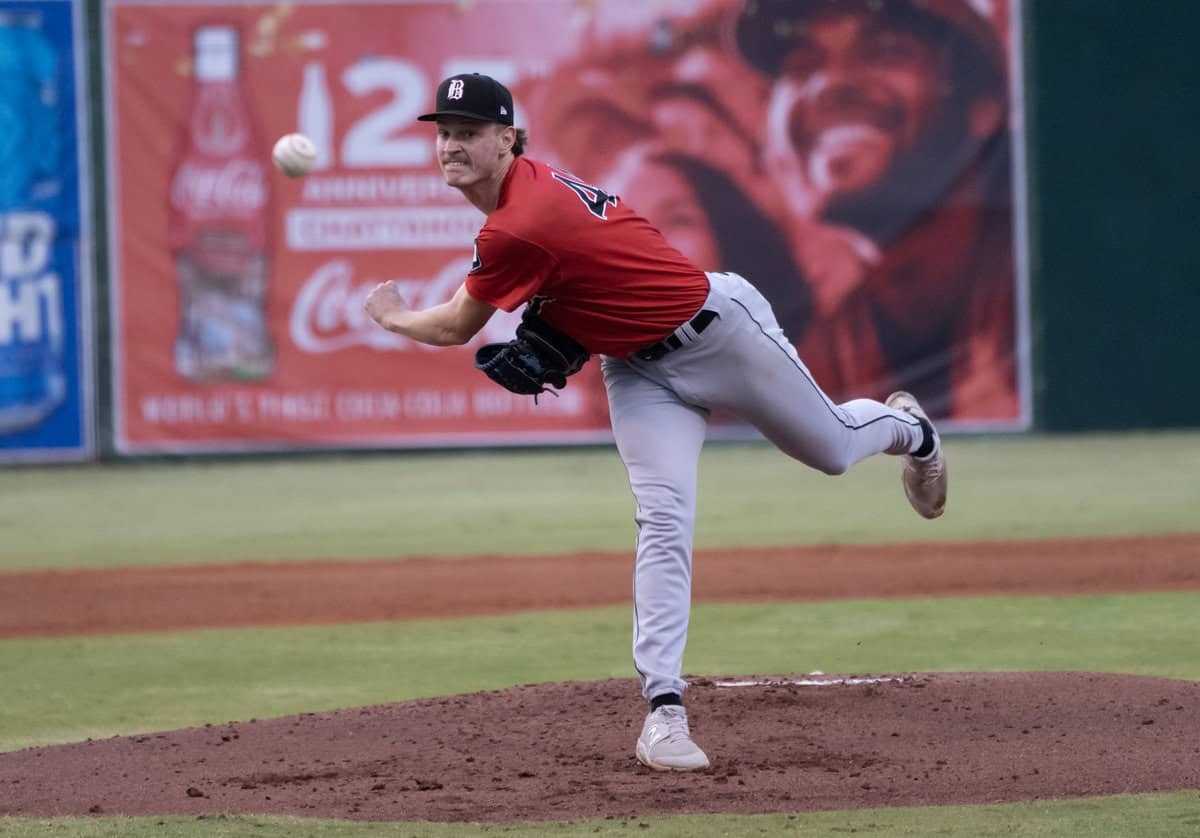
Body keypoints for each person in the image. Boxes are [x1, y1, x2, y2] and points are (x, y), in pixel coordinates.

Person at [364, 73, 947, 772]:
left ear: (509, 140)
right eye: (445, 132)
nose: (452, 145)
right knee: (664, 518)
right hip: (638, 371)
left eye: (469, 132)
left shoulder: (522, 220)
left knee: (832, 449)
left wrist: (393, 315)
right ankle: (664, 714)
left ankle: (913, 432)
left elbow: (458, 324)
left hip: (721, 335)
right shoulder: (516, 210)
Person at [733, 0, 1018, 420]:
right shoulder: (826, 343)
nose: (831, 84)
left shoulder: (1043, 280)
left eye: (885, 53)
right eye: (802, 66)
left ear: (984, 108)